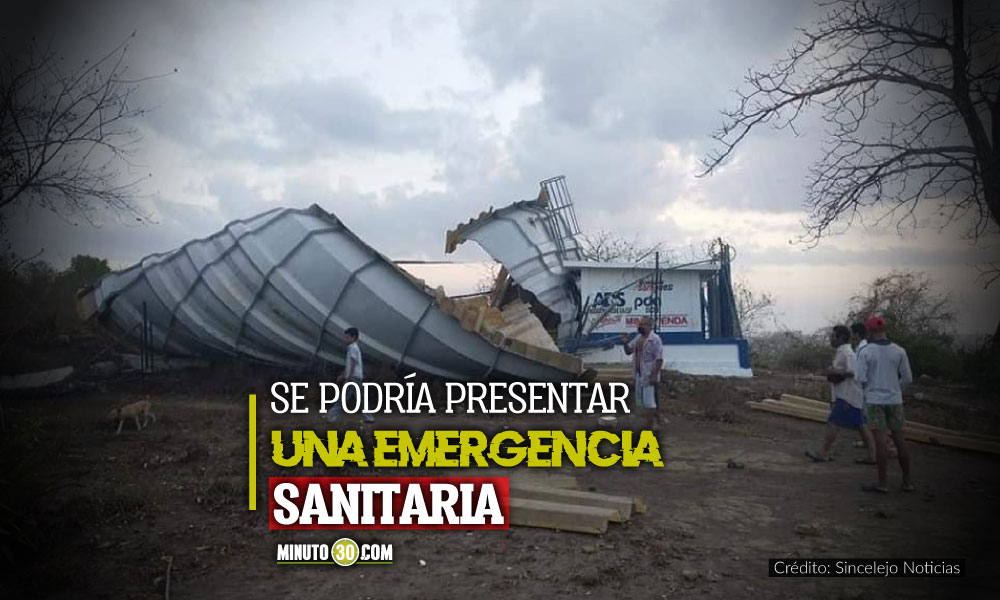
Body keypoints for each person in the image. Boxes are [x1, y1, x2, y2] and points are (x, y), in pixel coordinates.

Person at [855, 314, 914, 493]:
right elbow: (908, 379)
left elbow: (859, 377)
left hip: (874, 401)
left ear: (870, 331)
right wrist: (895, 390)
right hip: (895, 400)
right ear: (885, 330)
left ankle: (883, 483)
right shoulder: (899, 351)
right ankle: (907, 482)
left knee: (880, 441)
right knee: (899, 439)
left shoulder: (866, 351)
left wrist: (869, 391)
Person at [805, 325, 876, 464]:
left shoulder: (847, 353)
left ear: (841, 338)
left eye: (833, 336)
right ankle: (873, 456)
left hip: (847, 395)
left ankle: (823, 453)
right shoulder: (841, 351)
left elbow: (852, 372)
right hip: (849, 395)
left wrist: (833, 372)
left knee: (834, 423)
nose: (831, 339)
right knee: (861, 425)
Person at [325, 327, 375, 424]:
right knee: (360, 398)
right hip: (357, 376)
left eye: (347, 337)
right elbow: (350, 364)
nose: (345, 339)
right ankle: (369, 417)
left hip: (353, 377)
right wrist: (343, 375)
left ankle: (331, 416)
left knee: (343, 397)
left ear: (353, 337)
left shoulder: (353, 348)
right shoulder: (355, 348)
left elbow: (353, 363)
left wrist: (348, 377)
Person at [621, 316, 663, 431]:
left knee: (650, 401)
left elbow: (659, 359)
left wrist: (654, 375)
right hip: (639, 373)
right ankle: (651, 421)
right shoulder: (638, 338)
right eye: (639, 324)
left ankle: (651, 425)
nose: (639, 327)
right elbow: (629, 351)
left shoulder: (655, 340)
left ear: (649, 326)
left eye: (642, 325)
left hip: (649, 374)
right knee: (642, 401)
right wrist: (625, 343)